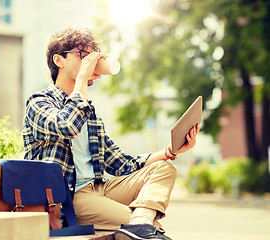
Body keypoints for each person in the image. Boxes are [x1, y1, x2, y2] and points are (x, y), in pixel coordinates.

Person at [23, 28, 199, 240]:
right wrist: (82, 79)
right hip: (69, 197)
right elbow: (67, 126)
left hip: (101, 188)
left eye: (92, 55)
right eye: (83, 55)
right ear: (59, 60)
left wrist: (170, 151)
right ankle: (141, 224)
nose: (90, 61)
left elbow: (120, 163)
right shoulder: (39, 102)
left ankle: (140, 222)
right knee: (151, 229)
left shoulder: (89, 112)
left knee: (163, 169)